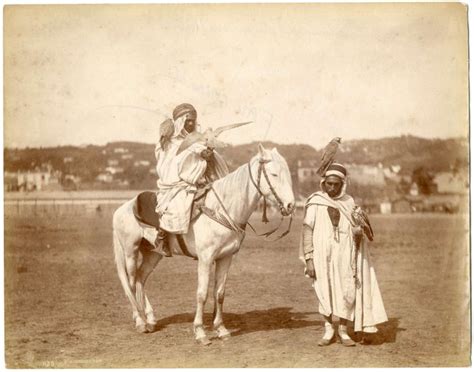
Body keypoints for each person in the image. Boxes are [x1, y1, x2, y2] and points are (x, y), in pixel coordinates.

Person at [299, 163, 387, 346]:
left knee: (346, 291)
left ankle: (343, 331)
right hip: (321, 256)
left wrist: (357, 233)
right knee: (324, 291)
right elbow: (307, 231)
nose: (332, 187)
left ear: (342, 184)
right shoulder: (315, 201)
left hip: (345, 255)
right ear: (324, 183)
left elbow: (358, 231)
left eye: (336, 184)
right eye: (329, 184)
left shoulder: (349, 202)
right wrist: (309, 259)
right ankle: (328, 330)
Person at [154, 103, 228, 256]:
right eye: (187, 120)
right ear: (180, 121)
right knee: (177, 206)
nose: (191, 123)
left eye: (193, 121)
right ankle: (162, 239)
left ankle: (211, 242)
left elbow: (203, 155)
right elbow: (173, 163)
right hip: (177, 185)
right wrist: (198, 154)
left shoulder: (197, 139)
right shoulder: (170, 143)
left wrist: (209, 149)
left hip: (197, 182)